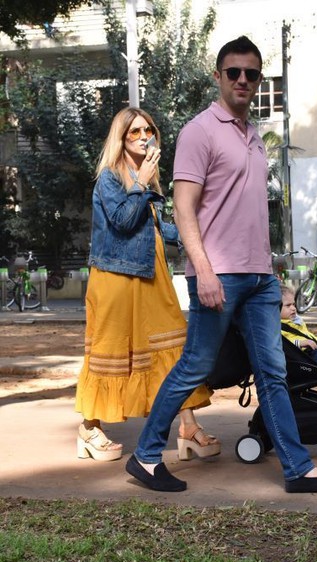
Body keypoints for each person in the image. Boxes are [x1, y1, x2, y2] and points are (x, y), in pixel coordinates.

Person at [125, 36, 317, 493]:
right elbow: (184, 208)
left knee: (273, 373)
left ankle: (298, 469)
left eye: (251, 73)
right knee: (194, 367)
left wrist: (272, 274)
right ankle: (146, 457)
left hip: (259, 278)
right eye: (234, 72)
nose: (243, 80)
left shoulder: (254, 138)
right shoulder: (200, 131)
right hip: (219, 275)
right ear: (219, 76)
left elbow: (248, 214)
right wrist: (204, 271)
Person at [75, 107, 220, 462]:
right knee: (110, 352)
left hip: (151, 275)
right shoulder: (110, 177)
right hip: (115, 278)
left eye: (148, 130)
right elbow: (123, 222)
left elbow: (154, 228)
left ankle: (187, 426)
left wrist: (195, 233)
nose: (144, 137)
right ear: (121, 139)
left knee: (173, 347)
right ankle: (89, 428)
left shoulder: (145, 178)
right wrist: (141, 181)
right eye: (135, 132)